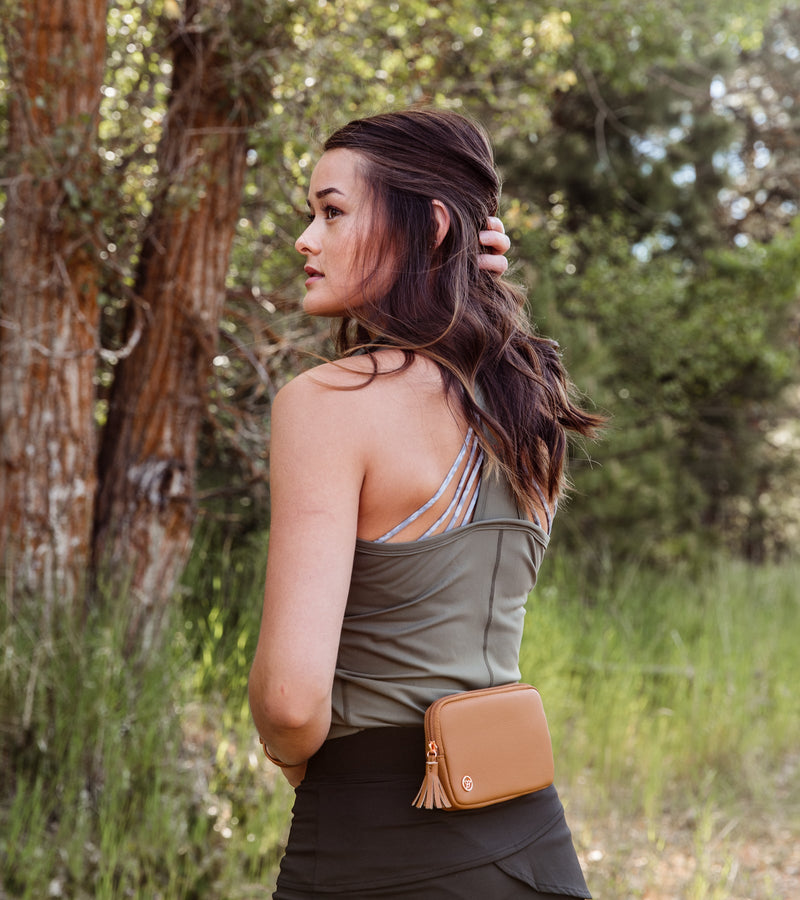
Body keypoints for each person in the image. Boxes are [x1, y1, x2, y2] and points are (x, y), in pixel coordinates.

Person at [248, 108, 600, 899]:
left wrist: (319, 771)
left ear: (432, 225)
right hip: (536, 845)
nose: (306, 239)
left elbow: (287, 701)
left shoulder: (325, 405)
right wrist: (455, 273)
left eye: (332, 211)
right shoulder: (531, 403)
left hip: (376, 847)